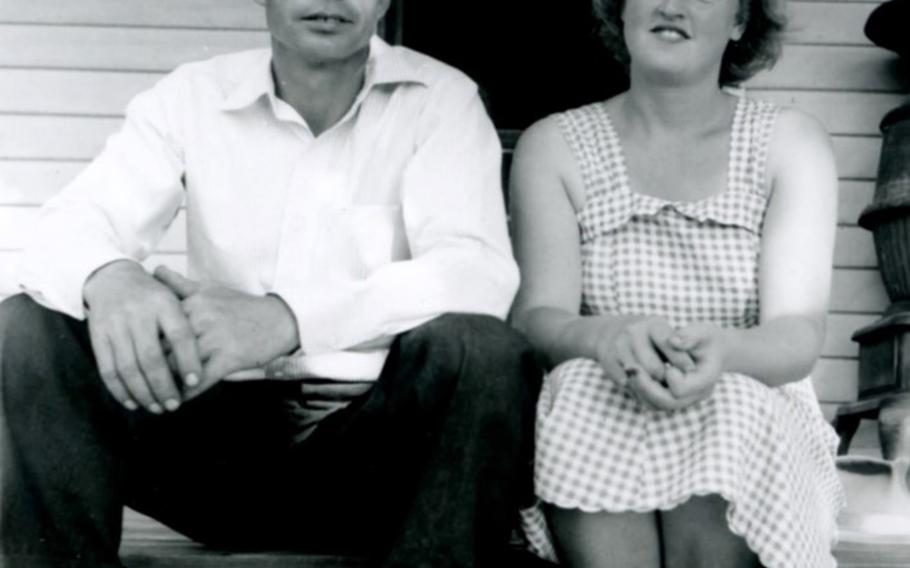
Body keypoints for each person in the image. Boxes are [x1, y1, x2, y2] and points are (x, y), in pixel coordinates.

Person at [0, 1, 541, 567]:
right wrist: (111, 276)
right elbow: (66, 228)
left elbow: (475, 271)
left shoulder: (441, 99)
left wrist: (288, 319)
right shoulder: (193, 96)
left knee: (484, 350)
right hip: (210, 456)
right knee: (32, 325)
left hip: (381, 456)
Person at [509, 0, 844, 565]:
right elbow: (540, 315)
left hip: (746, 410)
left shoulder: (790, 142)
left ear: (741, 21)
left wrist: (724, 352)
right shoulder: (556, 144)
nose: (672, 4)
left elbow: (797, 335)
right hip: (606, 402)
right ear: (621, 11)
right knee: (582, 390)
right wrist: (607, 339)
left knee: (732, 401)